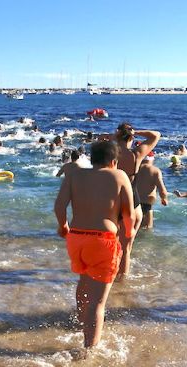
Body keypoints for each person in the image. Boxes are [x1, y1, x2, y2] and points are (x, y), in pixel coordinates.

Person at [54, 141, 134, 348]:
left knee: (84, 280)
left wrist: (63, 225)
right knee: (98, 303)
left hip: (77, 237)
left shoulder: (75, 175)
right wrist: (129, 231)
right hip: (102, 239)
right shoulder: (119, 176)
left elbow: (59, 205)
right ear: (114, 161)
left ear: (92, 158)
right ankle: (90, 349)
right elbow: (129, 213)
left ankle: (81, 322)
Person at [102, 122, 161, 280]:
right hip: (133, 203)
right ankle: (122, 282)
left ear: (118, 134)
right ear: (131, 137)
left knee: (110, 245)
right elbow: (156, 135)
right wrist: (136, 132)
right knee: (126, 248)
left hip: (112, 202)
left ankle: (109, 277)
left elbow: (98, 140)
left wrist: (114, 137)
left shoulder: (109, 153)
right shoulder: (137, 154)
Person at [135, 152, 168, 229]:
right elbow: (162, 189)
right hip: (147, 206)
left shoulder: (134, 168)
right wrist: (164, 198)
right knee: (147, 229)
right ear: (152, 159)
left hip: (133, 204)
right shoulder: (155, 171)